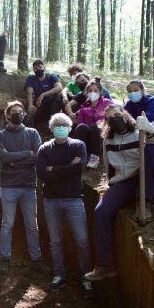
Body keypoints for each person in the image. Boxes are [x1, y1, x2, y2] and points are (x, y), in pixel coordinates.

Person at [84, 106, 154, 281]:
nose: (115, 118)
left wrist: (151, 130)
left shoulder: (140, 130)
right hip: (127, 182)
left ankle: (144, 202)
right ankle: (105, 265)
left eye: (118, 114)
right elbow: (109, 166)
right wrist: (113, 187)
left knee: (152, 149)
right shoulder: (108, 140)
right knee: (101, 211)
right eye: (110, 118)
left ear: (125, 115)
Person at [36, 113, 92, 293]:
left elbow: (79, 169)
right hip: (51, 200)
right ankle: (59, 274)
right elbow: (42, 174)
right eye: (57, 125)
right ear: (51, 129)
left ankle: (86, 276)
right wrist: (67, 168)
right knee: (55, 240)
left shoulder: (78, 145)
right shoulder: (44, 148)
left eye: (64, 125)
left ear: (70, 128)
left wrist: (54, 170)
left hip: (73, 199)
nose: (60, 128)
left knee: (82, 239)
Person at [0, 101, 42, 274]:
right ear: (7, 115)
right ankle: (5, 258)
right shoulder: (0, 135)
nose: (18, 114)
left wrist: (15, 161)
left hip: (29, 185)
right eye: (14, 112)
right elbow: (4, 158)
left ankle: (36, 258)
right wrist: (26, 155)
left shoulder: (32, 133)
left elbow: (37, 156)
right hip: (8, 186)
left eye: (20, 111)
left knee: (32, 225)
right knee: (7, 224)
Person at [72, 77, 114, 169]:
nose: (92, 93)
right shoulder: (83, 108)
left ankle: (94, 158)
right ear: (86, 93)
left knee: (98, 126)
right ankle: (81, 156)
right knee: (81, 127)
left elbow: (114, 116)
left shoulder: (107, 103)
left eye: (95, 90)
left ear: (100, 92)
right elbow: (79, 125)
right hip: (88, 139)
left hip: (103, 137)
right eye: (90, 90)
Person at [24, 59, 63, 129]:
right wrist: (30, 105)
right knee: (29, 115)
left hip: (52, 107)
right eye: (35, 68)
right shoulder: (31, 78)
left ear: (44, 67)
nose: (38, 69)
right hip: (39, 106)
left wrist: (43, 95)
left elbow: (59, 87)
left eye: (40, 67)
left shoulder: (51, 77)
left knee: (59, 96)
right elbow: (29, 92)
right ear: (33, 70)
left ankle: (53, 122)